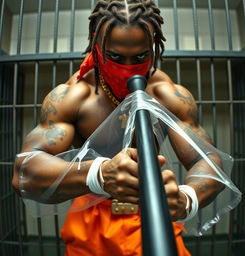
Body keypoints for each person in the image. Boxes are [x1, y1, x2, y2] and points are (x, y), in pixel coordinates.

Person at [12, 1, 226, 255]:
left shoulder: (167, 94)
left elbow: (208, 160)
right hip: (92, 221)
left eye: (140, 57)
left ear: (154, 47)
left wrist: (186, 198)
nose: (127, 68)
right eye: (114, 57)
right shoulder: (72, 97)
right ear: (96, 43)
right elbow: (24, 173)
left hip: (151, 215)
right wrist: (98, 174)